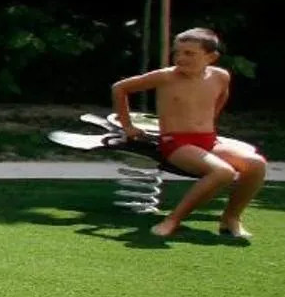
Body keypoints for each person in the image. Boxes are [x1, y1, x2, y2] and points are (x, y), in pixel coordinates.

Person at [111, 27, 266, 242]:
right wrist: (127, 126)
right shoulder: (166, 77)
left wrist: (209, 125)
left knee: (257, 164)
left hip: (208, 140)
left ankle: (231, 218)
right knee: (223, 172)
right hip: (176, 143)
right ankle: (173, 220)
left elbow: (219, 101)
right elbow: (120, 88)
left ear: (211, 57)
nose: (180, 58)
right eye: (177, 53)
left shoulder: (220, 76)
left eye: (189, 53)